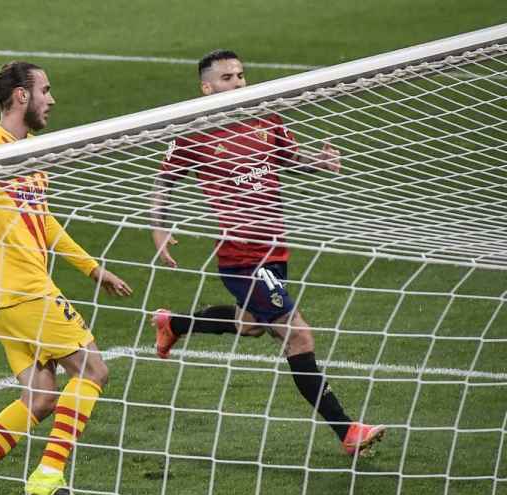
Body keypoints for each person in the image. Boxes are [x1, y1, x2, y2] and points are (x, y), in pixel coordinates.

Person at [150, 49, 386, 456]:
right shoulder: (194, 131)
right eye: (227, 78)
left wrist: (320, 162)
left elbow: (290, 160)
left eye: (241, 75)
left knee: (252, 325)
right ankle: (347, 430)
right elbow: (163, 183)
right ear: (207, 88)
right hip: (240, 257)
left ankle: (175, 324)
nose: (238, 83)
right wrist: (158, 230)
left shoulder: (267, 117)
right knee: (297, 334)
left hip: (276, 251)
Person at [0, 61, 133, 495]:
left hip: (4, 300)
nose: (52, 99)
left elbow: (45, 221)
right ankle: (50, 470)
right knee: (94, 369)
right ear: (21, 96)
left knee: (41, 399)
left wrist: (91, 268)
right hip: (24, 292)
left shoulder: (33, 152)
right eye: (46, 90)